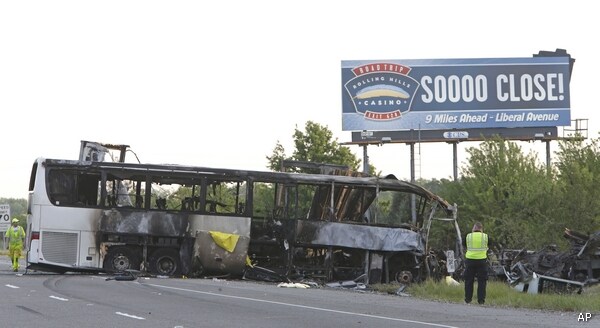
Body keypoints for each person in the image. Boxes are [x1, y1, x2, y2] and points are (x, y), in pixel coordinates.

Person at [464, 221, 489, 305]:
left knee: (468, 280)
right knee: (482, 281)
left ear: (474, 228)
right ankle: (481, 300)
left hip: (470, 260)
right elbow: (489, 245)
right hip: (482, 260)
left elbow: (464, 245)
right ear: (481, 229)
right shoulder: (485, 236)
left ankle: (468, 300)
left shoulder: (468, 236)